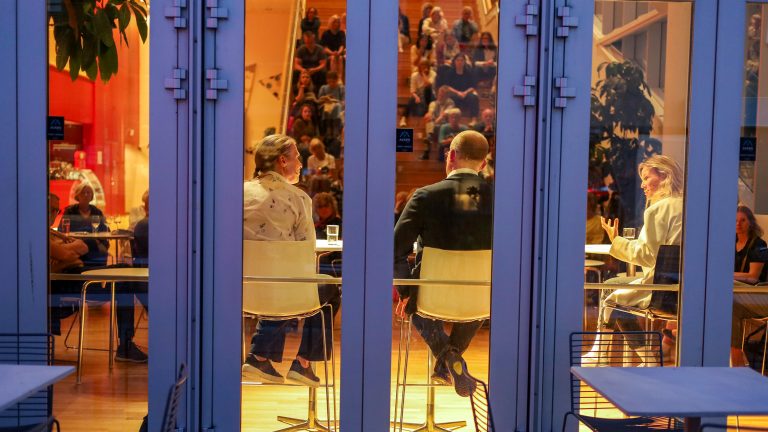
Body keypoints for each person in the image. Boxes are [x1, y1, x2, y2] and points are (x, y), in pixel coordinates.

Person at [394, 130, 493, 397]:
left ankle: (448, 359)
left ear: (451, 156)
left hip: (431, 298)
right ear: (483, 163)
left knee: (414, 301)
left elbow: (395, 250)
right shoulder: (501, 199)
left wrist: (405, 292)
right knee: (480, 293)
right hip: (480, 299)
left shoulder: (425, 196)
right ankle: (450, 360)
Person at [242, 134, 341, 386]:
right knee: (328, 286)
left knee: (286, 286)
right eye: (297, 157)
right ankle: (302, 362)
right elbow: (305, 254)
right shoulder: (298, 198)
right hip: (280, 293)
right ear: (282, 161)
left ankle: (261, 357)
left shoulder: (238, 193)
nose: (300, 163)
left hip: (239, 290)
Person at [584, 154, 684, 365]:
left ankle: (608, 354)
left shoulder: (657, 209)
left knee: (611, 292)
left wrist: (617, 241)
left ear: (664, 175)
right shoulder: (688, 207)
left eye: (647, 178)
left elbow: (648, 255)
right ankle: (610, 354)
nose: (642, 185)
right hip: (686, 290)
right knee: (613, 287)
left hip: (662, 290)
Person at [49, 193, 148, 362]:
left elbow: (82, 247)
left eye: (56, 211)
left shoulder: (52, 233)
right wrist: (69, 250)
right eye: (51, 209)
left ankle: (129, 342)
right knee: (125, 282)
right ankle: (128, 343)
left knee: (126, 270)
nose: (53, 214)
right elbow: (68, 255)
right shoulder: (40, 234)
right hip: (66, 282)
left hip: (76, 273)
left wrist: (68, 250)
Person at [730, 205, 768, 366]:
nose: (738, 224)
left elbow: (753, 278)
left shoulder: (759, 245)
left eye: (743, 220)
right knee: (726, 305)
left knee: (728, 304)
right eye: (735, 220)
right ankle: (737, 358)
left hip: (760, 295)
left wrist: (726, 275)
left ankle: (737, 358)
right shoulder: (729, 243)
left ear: (751, 223)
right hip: (738, 293)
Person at [58, 183, 109, 266]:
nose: (86, 195)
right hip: (75, 243)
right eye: (83, 192)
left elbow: (105, 230)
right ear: (77, 196)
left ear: (92, 196)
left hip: (95, 244)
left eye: (88, 192)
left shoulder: (97, 212)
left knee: (100, 249)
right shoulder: (70, 211)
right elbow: (61, 230)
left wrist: (98, 241)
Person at [440, 54, 480, 120]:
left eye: (462, 60)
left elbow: (473, 86)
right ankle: (452, 119)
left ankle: (474, 119)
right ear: (454, 61)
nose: (460, 62)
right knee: (451, 99)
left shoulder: (469, 72)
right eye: (458, 60)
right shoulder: (449, 72)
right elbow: (447, 86)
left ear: (464, 62)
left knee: (473, 97)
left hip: (466, 93)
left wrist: (465, 93)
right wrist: (458, 93)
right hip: (454, 93)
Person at [421, 85, 456, 160]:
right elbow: (430, 112)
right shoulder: (433, 103)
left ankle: (429, 139)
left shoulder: (451, 103)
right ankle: (429, 138)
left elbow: (444, 114)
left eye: (442, 95)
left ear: (447, 96)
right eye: (439, 94)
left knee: (437, 126)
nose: (440, 97)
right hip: (435, 126)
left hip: (445, 124)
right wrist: (429, 115)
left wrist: (436, 121)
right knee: (429, 121)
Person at [400, 59, 435, 127]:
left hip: (430, 95)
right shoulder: (414, 75)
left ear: (428, 66)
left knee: (427, 89)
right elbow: (412, 91)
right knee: (411, 99)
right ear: (419, 67)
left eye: (426, 66)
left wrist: (423, 74)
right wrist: (416, 97)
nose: (424, 68)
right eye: (422, 66)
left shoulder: (433, 74)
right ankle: (403, 118)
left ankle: (428, 117)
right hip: (419, 95)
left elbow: (428, 84)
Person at [321, 15, 346, 79]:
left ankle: (339, 78)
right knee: (333, 58)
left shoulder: (341, 33)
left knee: (340, 58)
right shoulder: (326, 33)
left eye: (338, 22)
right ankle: (333, 78)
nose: (336, 24)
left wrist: (338, 52)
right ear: (331, 23)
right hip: (329, 54)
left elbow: (342, 45)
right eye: (335, 22)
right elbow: (324, 47)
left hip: (339, 53)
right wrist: (332, 53)